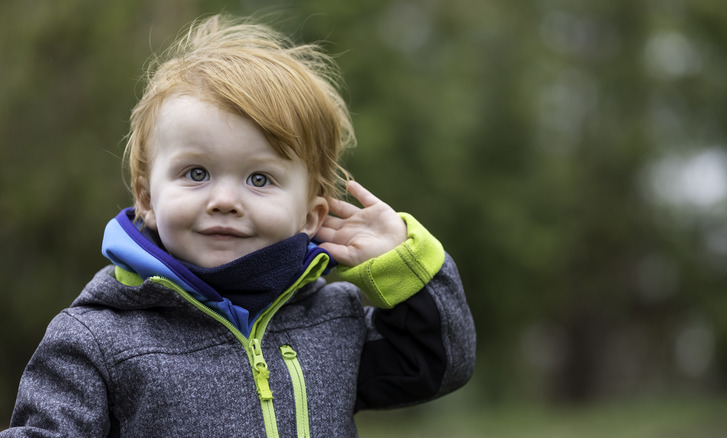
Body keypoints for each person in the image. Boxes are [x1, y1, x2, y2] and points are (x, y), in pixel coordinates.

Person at [2, 14, 476, 437]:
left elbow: (440, 363)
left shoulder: (333, 319)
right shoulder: (96, 339)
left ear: (311, 216)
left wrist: (404, 265)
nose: (225, 200)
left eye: (259, 178)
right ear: (147, 198)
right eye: (196, 173)